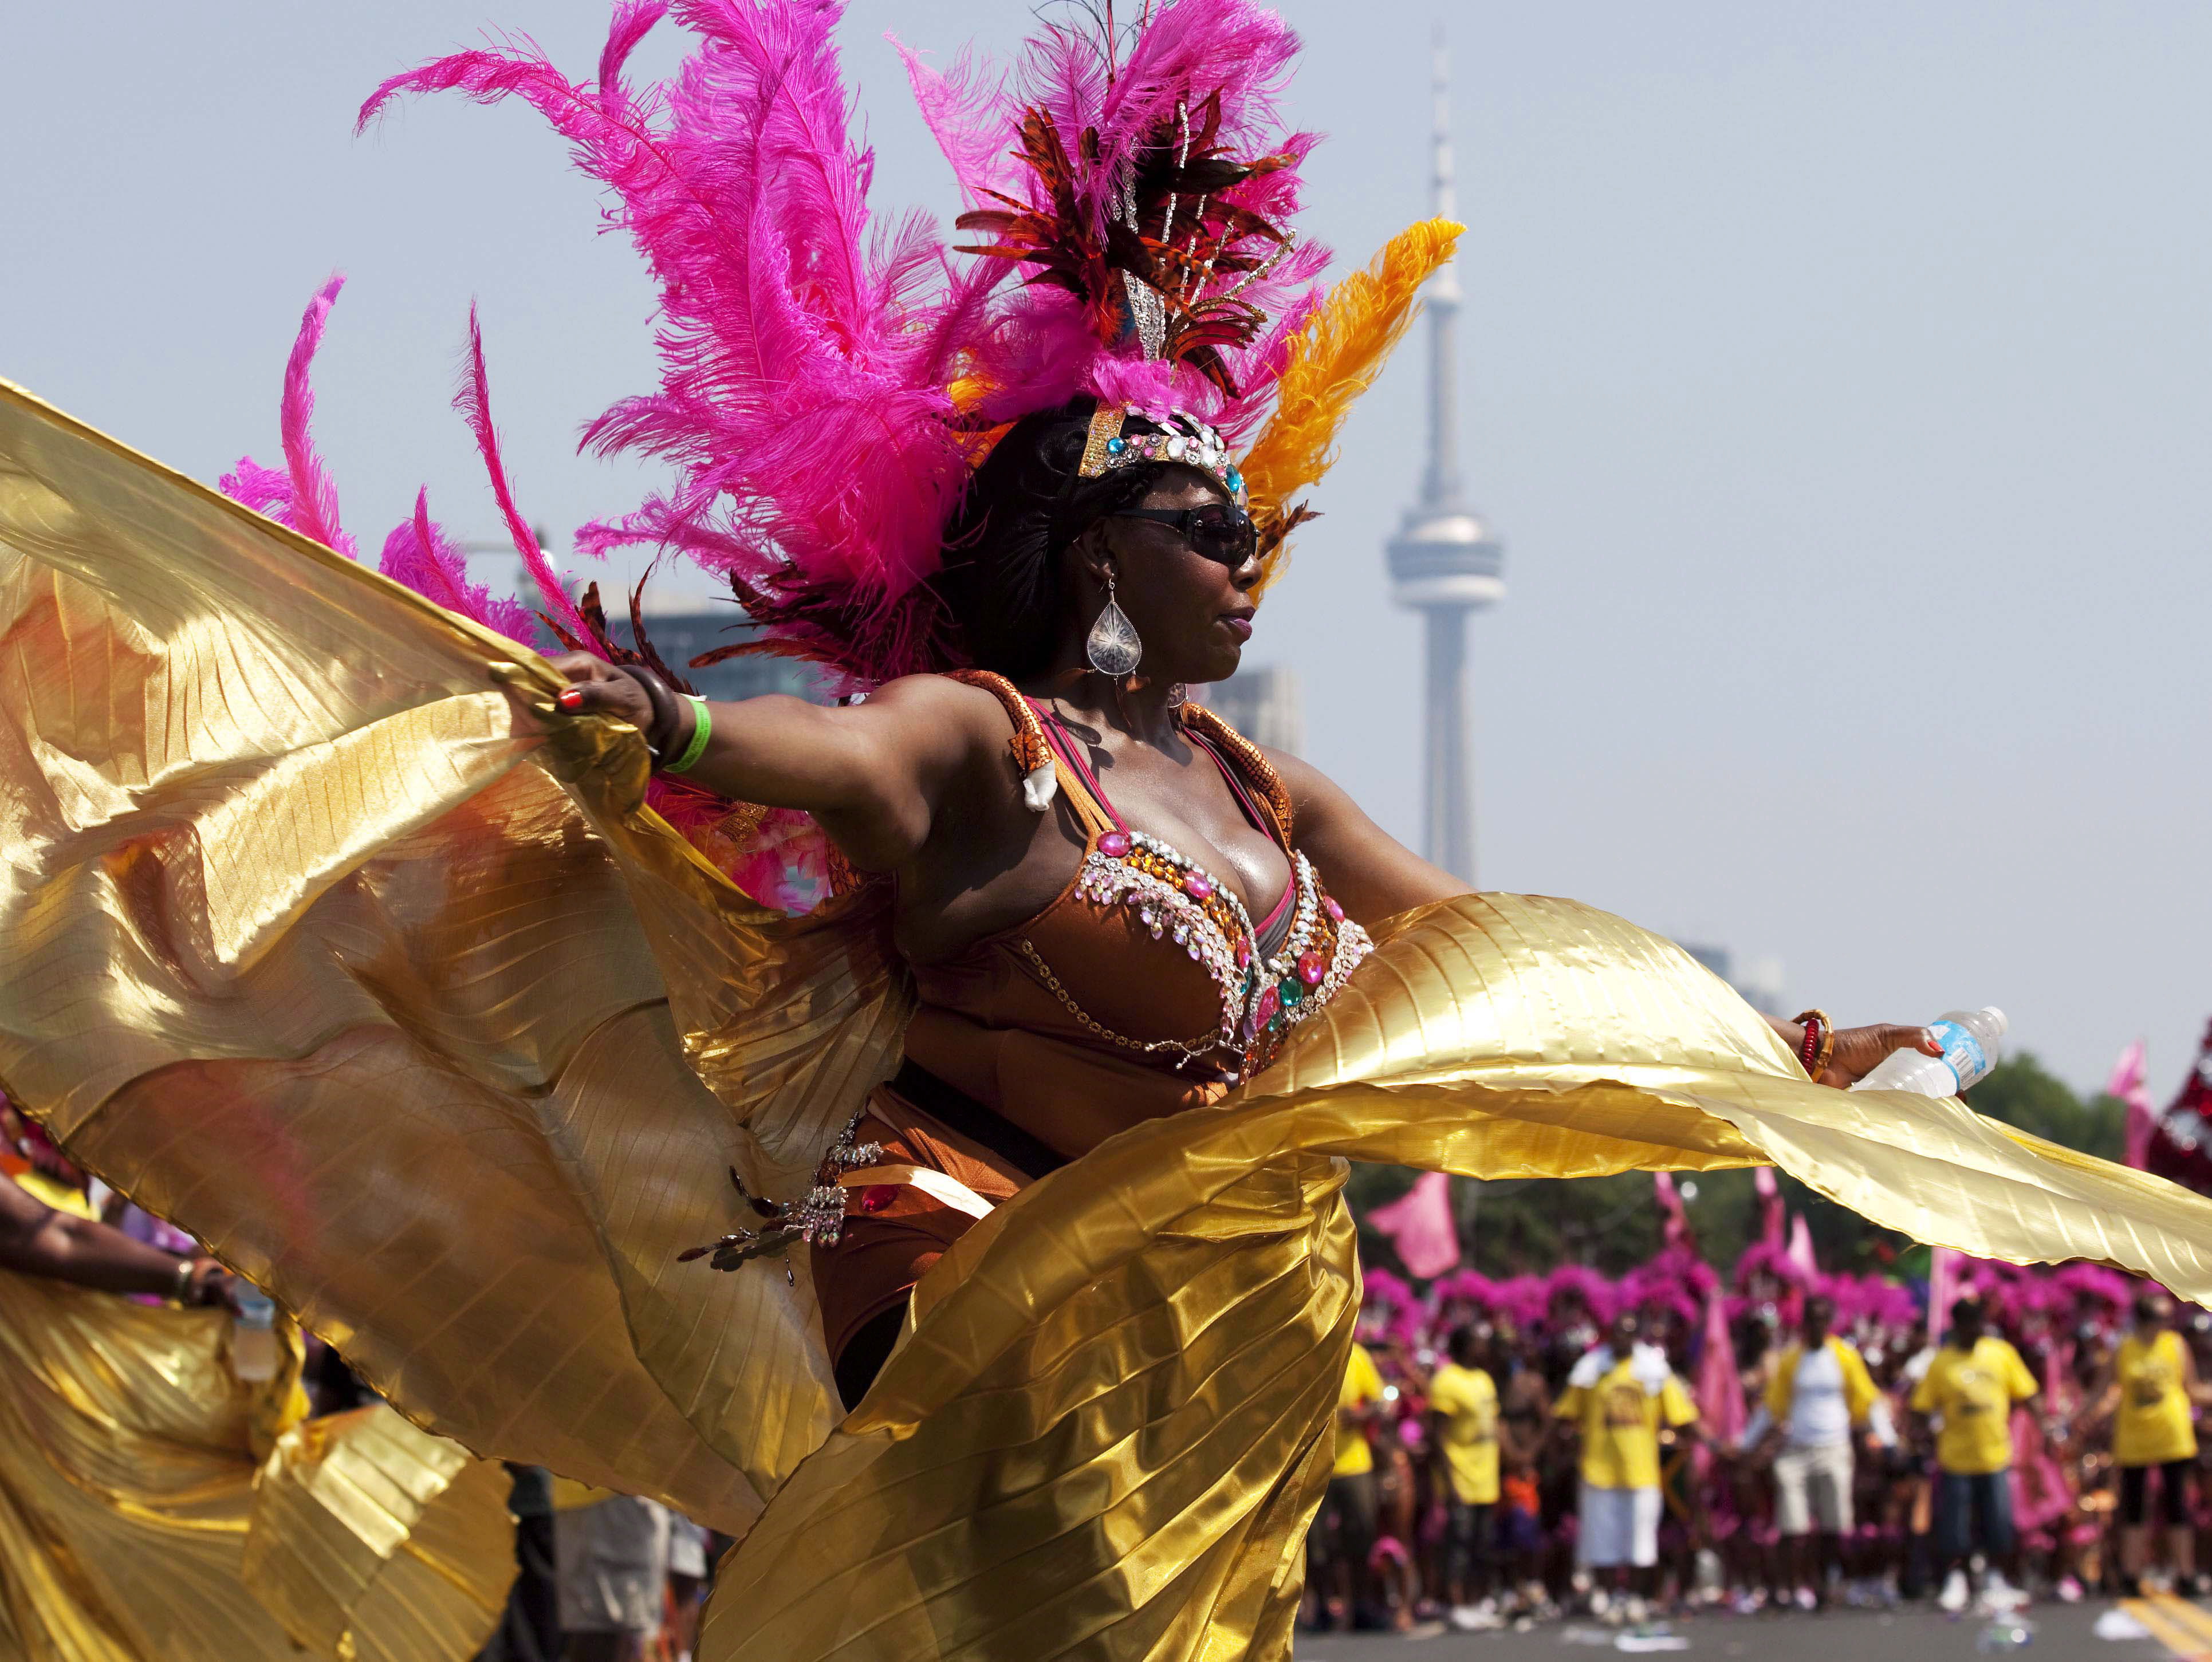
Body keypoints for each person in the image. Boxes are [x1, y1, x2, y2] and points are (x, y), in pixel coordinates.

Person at [9, 5, 2212, 1660]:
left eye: (1254, 521)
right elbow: (825, 765)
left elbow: (1496, 956)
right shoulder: (977, 740)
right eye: (1197, 519)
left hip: (1216, 1314)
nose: (1248, 550)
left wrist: (1750, 1048)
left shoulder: (1265, 786)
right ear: (1084, 550)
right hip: (961, 1269)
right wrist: (673, 715)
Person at [1739, 1292, 1896, 1610]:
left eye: (1822, 1319)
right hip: (1796, 1450)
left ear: (1829, 1322)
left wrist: (1889, 1442)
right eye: (1811, 1318)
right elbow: (1771, 1409)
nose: (1816, 1325)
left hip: (1834, 1449)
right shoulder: (1791, 1359)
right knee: (1791, 1525)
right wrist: (1745, 1444)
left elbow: (1868, 1402)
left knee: (1833, 1525)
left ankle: (1824, 1587)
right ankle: (1786, 1589)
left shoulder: (1844, 1356)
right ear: (1804, 1321)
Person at [1554, 1313, 1701, 1618]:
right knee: (1601, 1541)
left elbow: (1683, 1416)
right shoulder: (1591, 1369)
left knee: (1641, 1541)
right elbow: (1566, 1416)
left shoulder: (1654, 1369)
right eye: (1618, 1332)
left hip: (1641, 1471)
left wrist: (1700, 1448)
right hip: (1599, 1470)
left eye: (1630, 1333)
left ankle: (1635, 1598)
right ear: (1610, 1334)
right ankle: (1608, 1597)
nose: (1623, 1338)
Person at [1910, 1296, 2040, 1612]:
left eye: (1977, 1321)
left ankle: (1995, 1580)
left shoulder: (2002, 1354)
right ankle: (1957, 1580)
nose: (1974, 1328)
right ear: (1957, 1326)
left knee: (1998, 1522)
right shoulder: (1942, 1363)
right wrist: (1922, 1434)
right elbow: (1921, 1408)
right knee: (1955, 1526)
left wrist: (2044, 1431)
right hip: (1956, 1459)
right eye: (1967, 1323)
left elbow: (2027, 1394)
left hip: (1995, 1456)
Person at [2100, 1291, 2209, 1594]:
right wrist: (2081, 1418)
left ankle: (2185, 1574)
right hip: (2135, 1438)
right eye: (2156, 1319)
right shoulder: (2125, 1348)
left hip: (2172, 1435)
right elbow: (2103, 1390)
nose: (2162, 1325)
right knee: (2134, 1508)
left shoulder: (2175, 1345)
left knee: (2178, 1506)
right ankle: (2131, 1575)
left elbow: (2193, 1388)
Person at [1427, 1325, 1505, 1627]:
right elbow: (1437, 1437)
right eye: (1477, 1343)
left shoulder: (1484, 1379)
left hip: (1486, 1480)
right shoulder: (1447, 1382)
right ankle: (1455, 1605)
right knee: (1457, 1546)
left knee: (1481, 1546)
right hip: (1461, 1479)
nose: (1483, 1348)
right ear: (1463, 1346)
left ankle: (1475, 1603)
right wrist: (1449, 1482)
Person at [1308, 1339, 1386, 1630]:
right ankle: (1323, 1608)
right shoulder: (1308, 1352)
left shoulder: (1359, 1355)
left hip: (1354, 1465)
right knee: (1317, 1545)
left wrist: (1360, 1415)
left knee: (1362, 1537)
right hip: (1316, 1468)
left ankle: (1362, 1606)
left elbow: (1379, 1401)